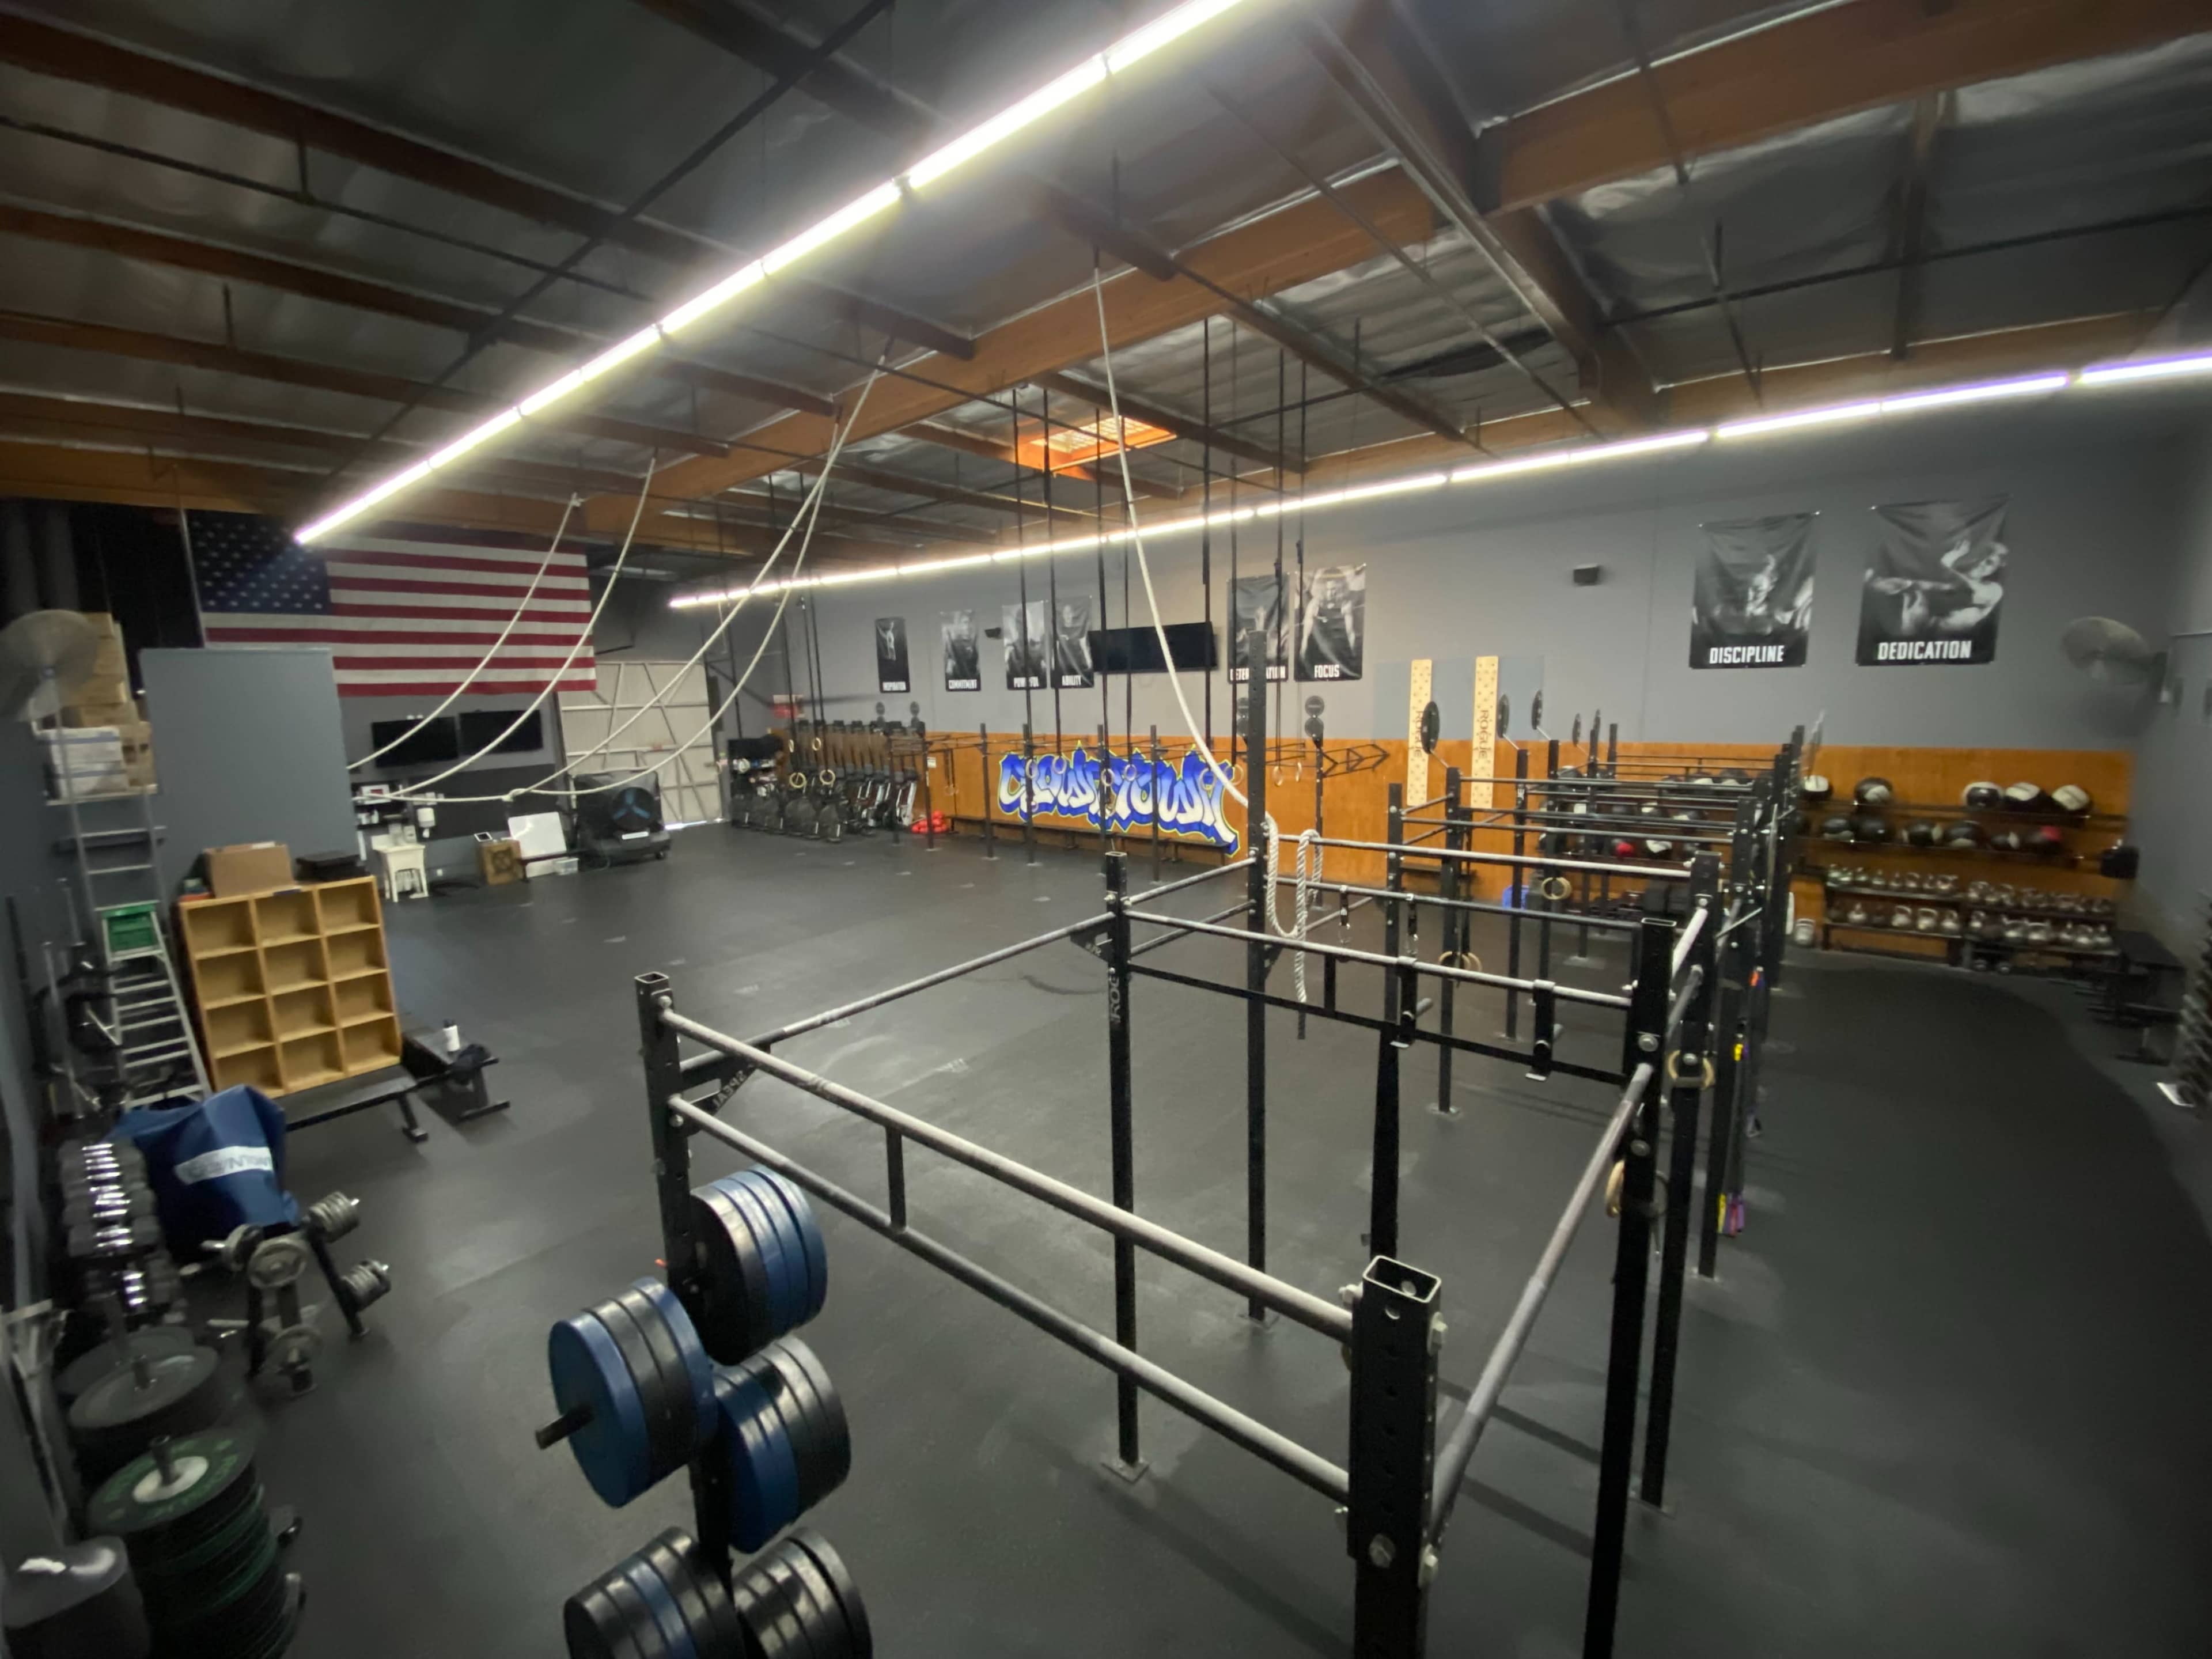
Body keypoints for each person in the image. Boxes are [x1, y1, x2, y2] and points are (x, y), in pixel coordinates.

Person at [1868, 537, 2005, 638]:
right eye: (1981, 556)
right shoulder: (1952, 579)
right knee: (1908, 584)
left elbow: (1974, 591)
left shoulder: (1994, 590)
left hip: (1934, 639)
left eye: (1989, 562)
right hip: (1909, 621)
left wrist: (1947, 564)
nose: (1980, 562)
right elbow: (1916, 584)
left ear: (1994, 570)